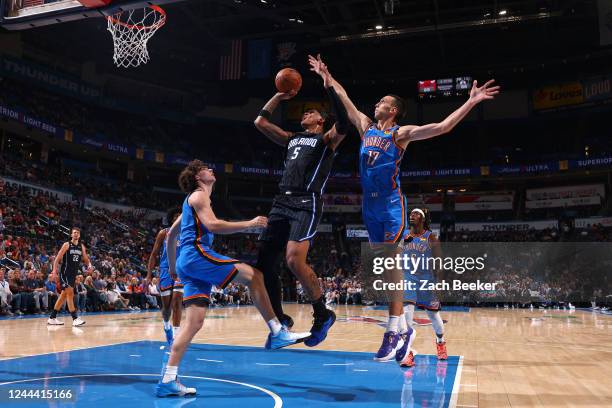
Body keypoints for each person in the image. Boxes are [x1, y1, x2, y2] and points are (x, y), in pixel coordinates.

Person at [309, 54, 498, 362]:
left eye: (382, 102)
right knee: (384, 269)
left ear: (393, 110)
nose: (376, 104)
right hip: (368, 207)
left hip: (391, 205)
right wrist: (326, 76)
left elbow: (442, 127)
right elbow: (343, 98)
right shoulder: (366, 127)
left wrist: (472, 101)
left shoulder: (400, 134)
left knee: (394, 263)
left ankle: (394, 330)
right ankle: (402, 331)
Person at [157, 160, 310, 397]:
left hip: (187, 264)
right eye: (206, 168)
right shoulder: (199, 196)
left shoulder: (190, 202)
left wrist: (174, 268)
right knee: (255, 276)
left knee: (193, 324)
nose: (211, 169)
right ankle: (277, 331)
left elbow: (170, 237)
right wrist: (249, 223)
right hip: (197, 255)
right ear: (198, 176)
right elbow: (214, 225)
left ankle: (168, 379)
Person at [253, 64, 349, 346]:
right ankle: (281, 321)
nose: (306, 112)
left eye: (312, 112)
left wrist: (328, 83)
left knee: (294, 260)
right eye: (304, 111)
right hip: (281, 201)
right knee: (262, 265)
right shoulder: (291, 138)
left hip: (307, 202)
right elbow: (260, 122)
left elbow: (343, 122)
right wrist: (279, 96)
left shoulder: (326, 139)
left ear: (321, 121)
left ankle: (322, 314)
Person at [401, 208, 447, 366]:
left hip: (426, 280)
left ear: (423, 219)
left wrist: (440, 283)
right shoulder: (404, 235)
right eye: (411, 213)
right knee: (407, 312)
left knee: (434, 317)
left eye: (416, 214)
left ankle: (440, 342)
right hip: (408, 278)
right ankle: (408, 352)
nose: (411, 215)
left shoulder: (431, 237)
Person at [147, 207, 184, 345]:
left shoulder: (187, 233)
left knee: (177, 300)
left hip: (181, 270)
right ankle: (166, 324)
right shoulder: (164, 233)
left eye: (180, 216)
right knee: (167, 306)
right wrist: (149, 275)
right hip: (165, 270)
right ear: (171, 218)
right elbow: (154, 254)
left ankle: (176, 335)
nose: (178, 218)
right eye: (175, 216)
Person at [47, 227, 91, 326]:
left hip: (73, 275)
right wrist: (54, 270)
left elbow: (86, 258)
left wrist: (90, 265)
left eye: (77, 233)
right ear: (71, 235)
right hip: (65, 273)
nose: (76, 234)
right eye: (74, 232)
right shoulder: (66, 245)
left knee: (63, 296)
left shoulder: (81, 246)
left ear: (79, 235)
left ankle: (52, 318)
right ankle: (75, 318)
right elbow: (57, 258)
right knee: (70, 293)